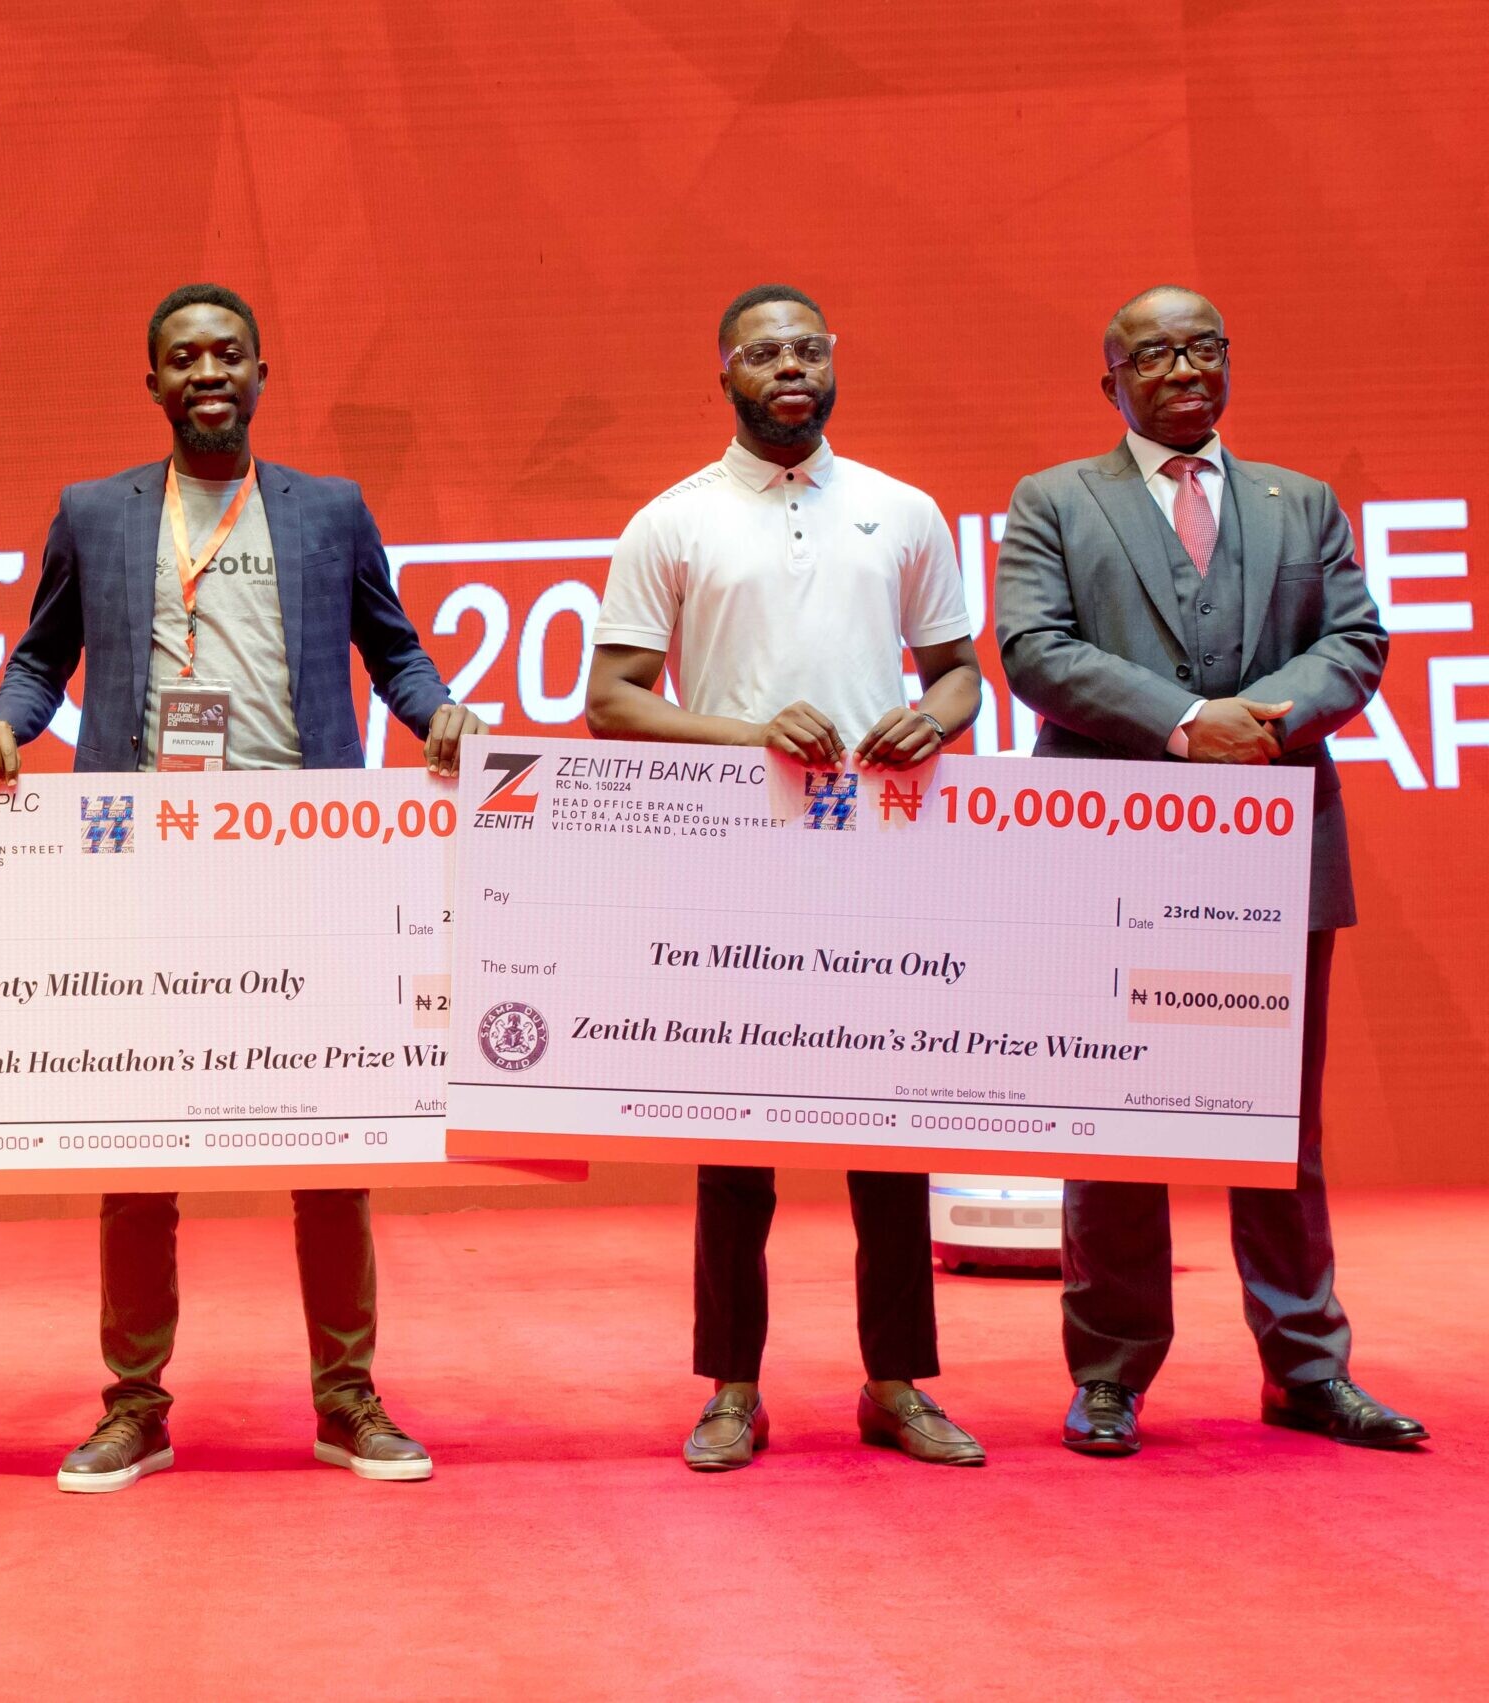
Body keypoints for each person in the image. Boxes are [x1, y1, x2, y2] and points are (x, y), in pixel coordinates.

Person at [0, 282, 482, 1492]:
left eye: (228, 354)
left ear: (259, 374)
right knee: (139, 1147)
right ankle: (132, 1405)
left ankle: (346, 1398)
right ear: (152, 383)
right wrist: (1, 724)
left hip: (306, 855)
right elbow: (42, 656)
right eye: (183, 357)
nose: (207, 372)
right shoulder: (94, 512)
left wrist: (438, 711)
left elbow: (390, 649)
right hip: (142, 860)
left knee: (332, 1139)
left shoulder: (327, 509)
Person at [997, 285, 1426, 1456]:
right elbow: (1033, 650)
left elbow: (1357, 642)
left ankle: (1304, 1368)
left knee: (1279, 1123)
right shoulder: (1054, 501)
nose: (1183, 365)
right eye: (1154, 351)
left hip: (1277, 843)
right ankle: (1110, 1373)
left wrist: (1269, 720)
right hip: (1109, 850)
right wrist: (1188, 721)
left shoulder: (1303, 500)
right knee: (1114, 1113)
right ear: (1112, 384)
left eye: (1203, 345)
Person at [585, 284, 987, 1471]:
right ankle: (730, 1387)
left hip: (882, 862)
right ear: (726, 375)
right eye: (765, 353)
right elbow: (610, 701)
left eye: (809, 348)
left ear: (832, 363)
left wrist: (935, 721)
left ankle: (897, 1381)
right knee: (733, 1145)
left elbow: (959, 672)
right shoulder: (672, 520)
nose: (790, 367)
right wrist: (748, 734)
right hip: (732, 864)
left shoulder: (902, 511)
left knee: (890, 1136)